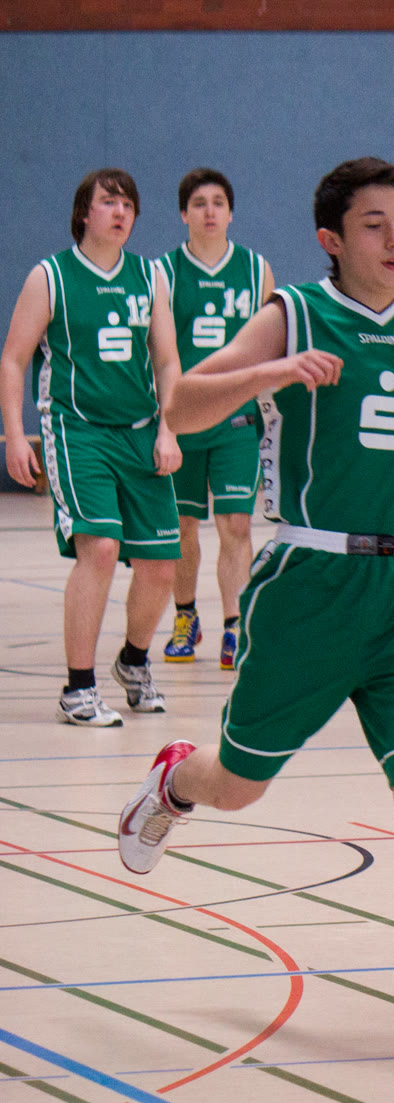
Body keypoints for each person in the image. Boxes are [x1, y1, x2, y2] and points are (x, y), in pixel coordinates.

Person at [112, 157, 394, 1060]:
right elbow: (184, 399)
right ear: (332, 239)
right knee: (240, 783)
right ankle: (176, 781)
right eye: (374, 225)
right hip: (313, 583)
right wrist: (276, 370)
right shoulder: (294, 313)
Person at [1, 168, 184, 727]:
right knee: (101, 548)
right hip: (76, 430)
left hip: (141, 430)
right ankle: (78, 689)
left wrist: (169, 428)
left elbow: (167, 361)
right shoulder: (50, 276)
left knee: (161, 566)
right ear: (85, 213)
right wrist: (16, 435)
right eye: (109, 202)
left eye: (128, 203)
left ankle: (133, 662)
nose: (120, 211)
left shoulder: (150, 276)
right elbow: (13, 359)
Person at [158, 168, 273, 672]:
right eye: (199, 203)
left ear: (231, 213)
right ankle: (185, 616)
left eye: (218, 202)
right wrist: (164, 424)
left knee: (235, 524)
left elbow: (271, 346)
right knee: (183, 526)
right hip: (183, 419)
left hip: (237, 421)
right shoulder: (163, 273)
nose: (209, 211)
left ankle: (235, 625)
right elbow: (159, 354)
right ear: (183, 214)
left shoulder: (256, 270)